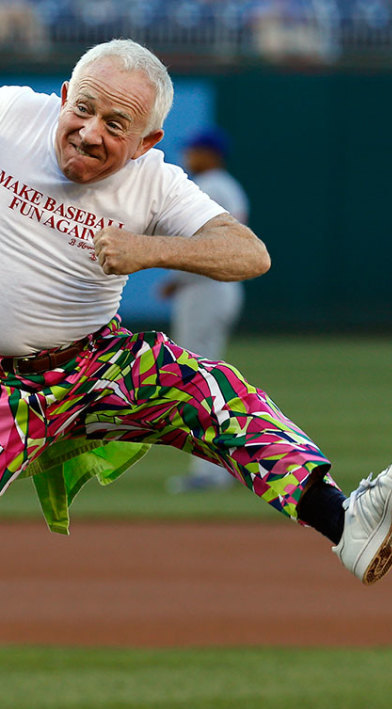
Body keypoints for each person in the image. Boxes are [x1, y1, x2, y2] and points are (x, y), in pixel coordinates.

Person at [0, 38, 392, 587]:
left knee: (208, 393)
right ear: (65, 95)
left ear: (147, 141)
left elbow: (250, 254)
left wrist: (152, 250)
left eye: (117, 125)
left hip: (92, 371)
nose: (91, 132)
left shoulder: (156, 182)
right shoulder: (14, 112)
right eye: (84, 109)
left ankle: (347, 523)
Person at [159, 126, 250, 494]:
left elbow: (206, 249)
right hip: (217, 289)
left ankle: (211, 472)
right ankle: (217, 467)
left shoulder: (211, 186)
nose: (188, 155)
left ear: (210, 153)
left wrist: (176, 278)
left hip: (206, 290)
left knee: (200, 385)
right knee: (206, 382)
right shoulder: (229, 187)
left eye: (194, 150)